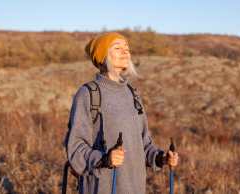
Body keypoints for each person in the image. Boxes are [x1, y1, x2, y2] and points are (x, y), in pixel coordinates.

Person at [65, 32, 179, 194]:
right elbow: (76, 148)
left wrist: (161, 157)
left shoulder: (132, 93)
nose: (125, 52)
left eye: (127, 48)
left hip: (136, 187)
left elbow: (144, 143)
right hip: (102, 187)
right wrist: (105, 159)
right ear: (103, 55)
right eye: (118, 48)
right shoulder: (88, 93)